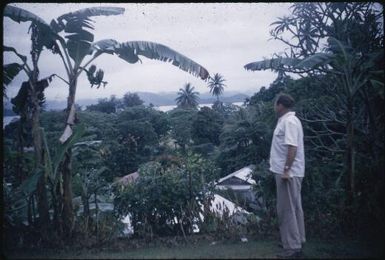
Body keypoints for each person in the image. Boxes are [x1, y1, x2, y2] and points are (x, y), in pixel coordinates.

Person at [269, 94, 306, 258]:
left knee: (287, 209)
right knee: (294, 207)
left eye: (275, 104)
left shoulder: (289, 122)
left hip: (288, 173)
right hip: (289, 172)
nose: (274, 106)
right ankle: (296, 240)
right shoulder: (286, 120)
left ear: (280, 105)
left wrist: (286, 169)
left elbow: (292, 148)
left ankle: (292, 247)